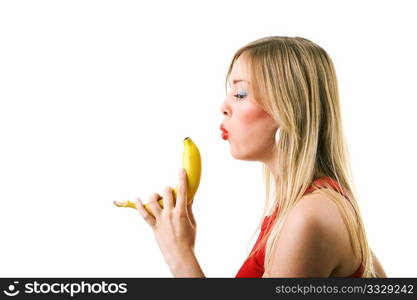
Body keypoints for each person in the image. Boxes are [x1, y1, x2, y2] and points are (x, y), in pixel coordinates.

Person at [134, 36, 387, 278]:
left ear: (286, 109)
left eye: (240, 94)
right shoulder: (305, 208)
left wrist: (180, 256)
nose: (224, 105)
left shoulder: (309, 217)